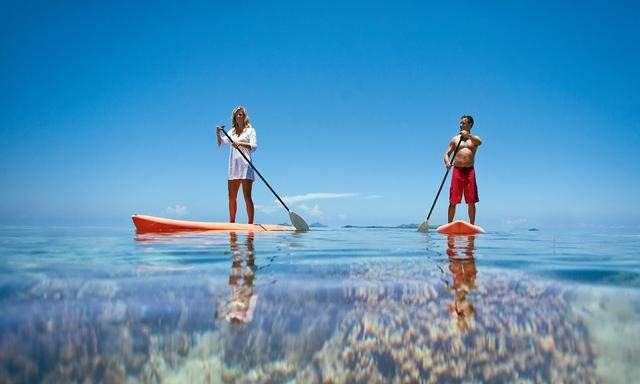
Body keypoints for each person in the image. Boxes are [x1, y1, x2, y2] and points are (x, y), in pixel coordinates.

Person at [216, 106, 258, 223]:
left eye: (242, 114)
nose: (240, 116)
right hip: (233, 167)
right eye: (238, 114)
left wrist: (239, 143)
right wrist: (218, 133)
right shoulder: (231, 131)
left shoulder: (251, 130)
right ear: (234, 117)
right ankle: (232, 223)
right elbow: (221, 143)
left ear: (245, 117)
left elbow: (253, 147)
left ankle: (250, 224)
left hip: (245, 166)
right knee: (231, 197)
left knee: (247, 197)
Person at [444, 115, 482, 224]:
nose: (461, 125)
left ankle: (472, 225)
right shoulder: (455, 139)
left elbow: (480, 142)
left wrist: (469, 136)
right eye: (460, 123)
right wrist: (447, 162)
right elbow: (447, 154)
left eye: (464, 123)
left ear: (470, 125)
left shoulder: (474, 139)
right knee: (453, 201)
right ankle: (449, 224)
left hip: (469, 171)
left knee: (471, 201)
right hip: (457, 170)